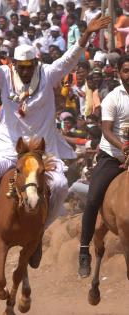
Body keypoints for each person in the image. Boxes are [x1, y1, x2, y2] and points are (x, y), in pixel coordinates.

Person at [0, 14, 111, 269]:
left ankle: (40, 230)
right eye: (21, 66)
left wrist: (86, 34)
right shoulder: (3, 75)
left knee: (62, 185)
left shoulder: (49, 74)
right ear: (14, 64)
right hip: (8, 146)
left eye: (29, 65)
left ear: (36, 62)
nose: (25, 69)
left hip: (42, 150)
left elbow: (70, 59)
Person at [78, 54, 129, 278]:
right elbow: (107, 130)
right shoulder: (113, 98)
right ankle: (83, 251)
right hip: (113, 156)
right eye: (126, 70)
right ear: (119, 72)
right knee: (92, 198)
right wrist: (124, 147)